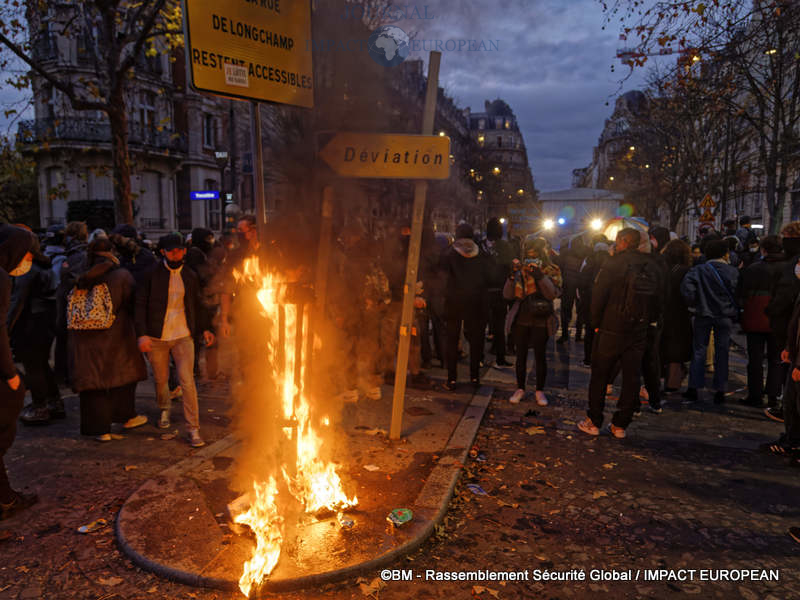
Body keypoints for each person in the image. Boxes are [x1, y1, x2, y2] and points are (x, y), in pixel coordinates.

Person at [578, 228, 662, 439]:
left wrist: (595, 323)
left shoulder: (613, 263)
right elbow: (660, 297)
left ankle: (594, 420)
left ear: (622, 241)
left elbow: (598, 295)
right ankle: (620, 424)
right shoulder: (652, 265)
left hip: (611, 326)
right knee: (631, 377)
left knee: (600, 375)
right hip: (639, 329)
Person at [135, 234, 215, 448]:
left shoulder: (189, 275)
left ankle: (193, 428)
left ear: (184, 251)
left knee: (187, 381)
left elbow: (198, 304)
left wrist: (206, 328)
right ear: (163, 252)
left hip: (183, 335)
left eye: (179, 250)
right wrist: (142, 334)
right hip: (157, 336)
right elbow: (140, 304)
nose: (176, 254)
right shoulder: (150, 274)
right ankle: (164, 409)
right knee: (161, 379)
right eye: (171, 251)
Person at [67, 238, 148, 441]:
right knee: (122, 379)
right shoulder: (121, 276)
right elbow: (133, 305)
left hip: (84, 340)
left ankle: (100, 430)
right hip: (117, 337)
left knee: (93, 383)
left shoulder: (77, 276)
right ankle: (126, 417)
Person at [0, 225, 39, 520]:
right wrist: (11, 374)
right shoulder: (1, 278)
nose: (27, 260)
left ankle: (5, 498)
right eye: (26, 253)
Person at [9, 237, 62, 425]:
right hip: (43, 322)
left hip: (30, 324)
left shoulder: (27, 270)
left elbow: (17, 302)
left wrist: (6, 328)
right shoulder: (43, 266)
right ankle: (53, 402)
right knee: (40, 364)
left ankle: (40, 405)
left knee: (33, 366)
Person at [680, 239, 740, 404]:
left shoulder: (698, 270)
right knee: (723, 352)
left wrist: (695, 303)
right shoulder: (732, 272)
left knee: (699, 350)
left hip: (703, 314)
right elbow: (738, 292)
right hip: (725, 316)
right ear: (725, 254)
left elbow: (687, 290)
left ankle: (694, 387)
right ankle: (720, 389)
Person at [503, 237, 562, 406]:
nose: (531, 259)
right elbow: (507, 295)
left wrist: (540, 277)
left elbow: (552, 294)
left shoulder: (552, 269)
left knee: (540, 356)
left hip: (542, 319)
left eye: (535, 255)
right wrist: (511, 275)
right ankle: (520, 388)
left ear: (542, 254)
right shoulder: (520, 270)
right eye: (528, 255)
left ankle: (539, 390)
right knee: (520, 355)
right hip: (522, 318)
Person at [441, 223, 490, 390]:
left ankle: (451, 379)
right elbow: (490, 277)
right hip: (476, 302)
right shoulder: (481, 254)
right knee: (476, 341)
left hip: (453, 302)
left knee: (452, 340)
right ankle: (475, 378)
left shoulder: (448, 253)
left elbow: (440, 276)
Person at [737, 235, 784, 407]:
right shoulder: (787, 269)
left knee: (755, 359)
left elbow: (741, 293)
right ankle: (773, 395)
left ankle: (755, 395)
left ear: (763, 249)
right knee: (776, 359)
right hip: (778, 319)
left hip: (755, 318)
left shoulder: (753, 269)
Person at [660, 239, 694, 392]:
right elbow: (690, 295)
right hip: (680, 313)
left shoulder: (661, 268)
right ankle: (672, 383)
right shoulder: (687, 271)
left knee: (661, 346)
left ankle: (658, 379)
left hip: (661, 312)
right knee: (676, 350)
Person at [483, 218, 515, 367]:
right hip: (501, 292)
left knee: (480, 325)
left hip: (483, 292)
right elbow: (511, 267)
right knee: (499, 325)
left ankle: (479, 357)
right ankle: (500, 357)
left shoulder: (481, 245)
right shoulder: (505, 247)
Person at [577, 240, 610, 366]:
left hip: (589, 302)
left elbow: (581, 282)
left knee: (589, 332)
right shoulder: (611, 263)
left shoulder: (589, 261)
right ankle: (601, 359)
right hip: (606, 304)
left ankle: (587, 359)